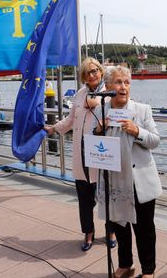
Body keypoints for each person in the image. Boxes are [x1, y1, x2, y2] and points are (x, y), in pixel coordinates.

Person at [93, 66, 161, 278]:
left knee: (144, 229)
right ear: (108, 86)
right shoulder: (100, 110)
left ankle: (148, 271)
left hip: (138, 178)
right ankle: (125, 264)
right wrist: (97, 131)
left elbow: (155, 141)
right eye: (118, 82)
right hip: (113, 179)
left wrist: (136, 131)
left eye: (126, 82)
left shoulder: (142, 110)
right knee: (118, 224)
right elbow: (92, 142)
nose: (123, 87)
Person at [44, 57, 116, 251]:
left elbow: (117, 118)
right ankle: (88, 233)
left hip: (102, 155)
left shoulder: (109, 93)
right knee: (84, 199)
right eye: (87, 72)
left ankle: (111, 231)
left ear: (101, 71)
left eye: (94, 70)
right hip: (81, 154)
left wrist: (98, 109)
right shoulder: (80, 93)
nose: (91, 75)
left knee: (107, 197)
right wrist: (53, 128)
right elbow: (70, 119)